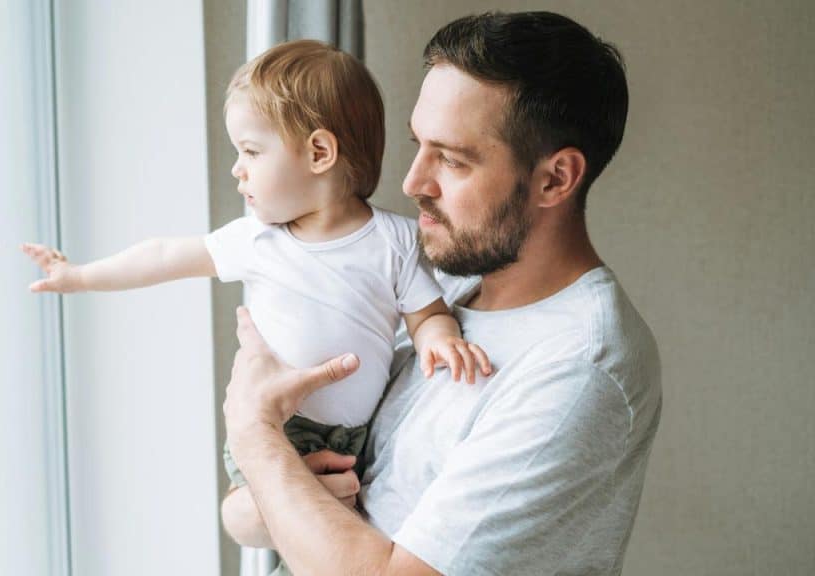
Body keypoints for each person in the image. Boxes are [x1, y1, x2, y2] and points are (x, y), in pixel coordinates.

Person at [221, 11, 662, 576]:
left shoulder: (577, 367)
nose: (412, 183)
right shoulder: (442, 286)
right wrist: (268, 466)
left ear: (555, 178)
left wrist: (255, 433)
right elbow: (243, 514)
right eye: (419, 145)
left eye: (452, 159)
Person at [21, 40, 490, 487]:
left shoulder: (394, 241)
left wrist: (440, 341)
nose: (236, 169)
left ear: (319, 153)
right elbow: (163, 256)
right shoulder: (257, 239)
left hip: (360, 437)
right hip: (281, 429)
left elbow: (427, 314)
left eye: (251, 151)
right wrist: (80, 276)